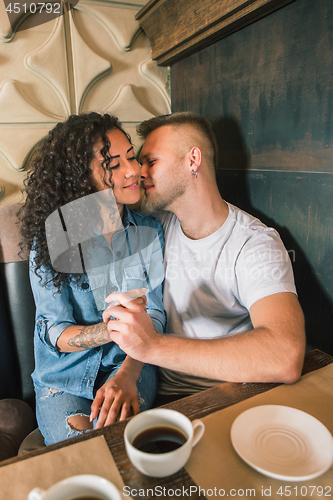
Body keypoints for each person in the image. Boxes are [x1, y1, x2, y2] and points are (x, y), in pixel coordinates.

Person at [103, 112, 306, 396]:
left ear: (193, 160)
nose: (139, 171)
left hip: (224, 399)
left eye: (151, 161)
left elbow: (286, 356)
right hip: (154, 393)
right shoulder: (155, 225)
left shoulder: (255, 244)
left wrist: (154, 347)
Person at [19, 112, 166, 445]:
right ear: (81, 178)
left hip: (133, 364)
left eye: (132, 156)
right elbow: (56, 332)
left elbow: (154, 316)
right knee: (82, 448)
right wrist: (115, 328)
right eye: (113, 164)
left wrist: (128, 374)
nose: (134, 171)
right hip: (64, 378)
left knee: (118, 440)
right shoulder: (52, 240)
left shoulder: (150, 231)